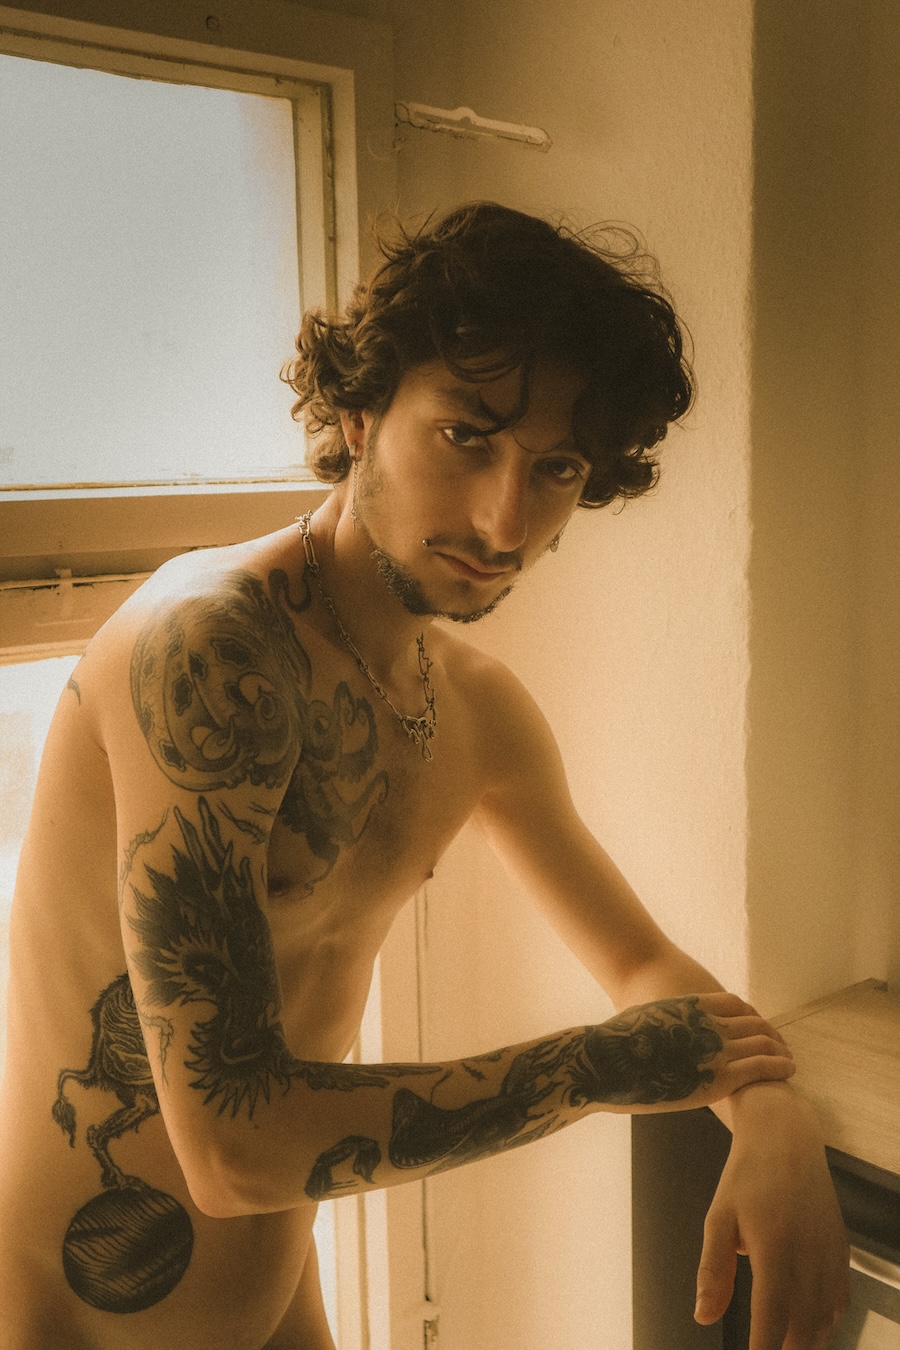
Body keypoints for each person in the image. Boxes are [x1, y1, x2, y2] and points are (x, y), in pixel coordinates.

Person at [0, 202, 847, 1350]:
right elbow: (230, 1149)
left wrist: (768, 1107)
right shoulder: (209, 652)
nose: (504, 520)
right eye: (467, 437)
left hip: (277, 1308)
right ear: (361, 413)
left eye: (555, 467)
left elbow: (641, 963)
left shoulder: (476, 712)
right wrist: (592, 1070)